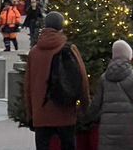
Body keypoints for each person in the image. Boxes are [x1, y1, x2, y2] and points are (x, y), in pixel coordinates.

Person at [24, 11, 90, 150]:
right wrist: (85, 107)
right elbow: (82, 80)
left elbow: (28, 87)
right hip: (65, 111)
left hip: (41, 113)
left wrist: (31, 114)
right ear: (61, 27)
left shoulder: (34, 52)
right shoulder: (70, 48)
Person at [88, 39, 133, 150]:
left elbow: (96, 105)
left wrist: (84, 119)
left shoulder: (104, 78)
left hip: (108, 129)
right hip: (130, 130)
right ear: (129, 56)